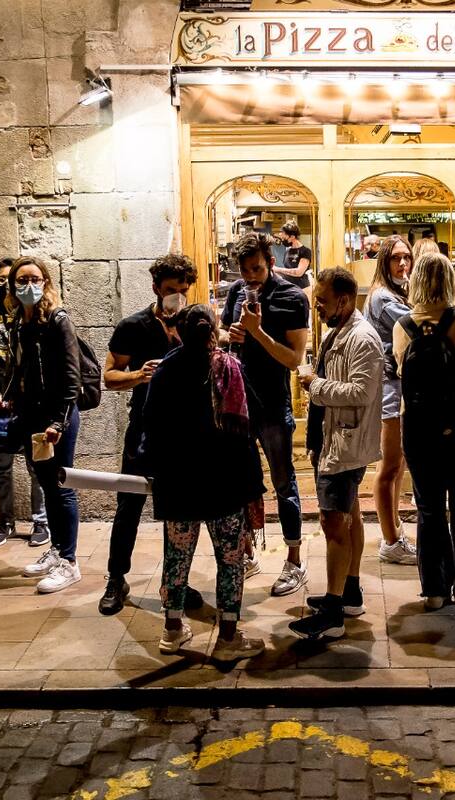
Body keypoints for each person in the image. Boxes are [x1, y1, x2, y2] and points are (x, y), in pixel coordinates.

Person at [138, 304, 266, 662]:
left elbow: (151, 425)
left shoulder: (164, 372)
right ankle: (227, 637)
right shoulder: (229, 368)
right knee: (230, 560)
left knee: (176, 558)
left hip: (179, 484)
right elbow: (250, 423)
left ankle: (172, 630)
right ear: (214, 331)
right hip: (224, 484)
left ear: (178, 332)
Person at [98, 254, 201, 616]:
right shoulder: (134, 326)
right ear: (156, 288)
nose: (178, 298)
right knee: (129, 504)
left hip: (186, 432)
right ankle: (116, 578)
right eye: (172, 290)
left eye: (184, 291)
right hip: (144, 430)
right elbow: (109, 376)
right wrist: (139, 375)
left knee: (181, 512)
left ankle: (177, 580)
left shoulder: (193, 323)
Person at [290, 268, 384, 641]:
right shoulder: (338, 333)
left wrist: (316, 385)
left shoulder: (363, 339)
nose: (317, 305)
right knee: (350, 516)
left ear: (344, 301)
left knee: (333, 523)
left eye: (323, 300)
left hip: (343, 447)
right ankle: (349, 593)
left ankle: (332, 611)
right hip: (332, 441)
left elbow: (361, 392)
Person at [393, 253, 455, 609]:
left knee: (429, 506)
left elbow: (403, 372)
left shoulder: (401, 326)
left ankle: (434, 589)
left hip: (417, 425)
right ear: (449, 279)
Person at [221, 233, 310, 596]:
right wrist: (231, 335)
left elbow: (293, 359)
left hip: (272, 404)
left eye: (257, 268)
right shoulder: (235, 293)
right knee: (240, 484)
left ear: (271, 263)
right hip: (238, 405)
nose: (251, 277)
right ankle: (246, 553)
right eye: (244, 271)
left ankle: (294, 560)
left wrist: (257, 333)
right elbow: (225, 337)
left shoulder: (291, 297)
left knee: (284, 483)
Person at [7, 256, 83, 594]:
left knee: (62, 484)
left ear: (46, 282)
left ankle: (70, 561)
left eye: (35, 279)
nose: (29, 285)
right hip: (32, 418)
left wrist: (60, 422)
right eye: (21, 280)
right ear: (12, 286)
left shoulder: (58, 320)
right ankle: (56, 550)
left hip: (57, 418)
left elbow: (71, 377)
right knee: (46, 484)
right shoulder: (17, 324)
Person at [0, 258, 50, 548]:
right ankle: (6, 522)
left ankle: (41, 521)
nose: (5, 283)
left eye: (9, 278)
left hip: (27, 397)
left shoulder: (31, 315)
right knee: (1, 463)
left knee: (36, 461)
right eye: (1, 278)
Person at [364, 235, 418, 565]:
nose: (402, 264)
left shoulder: (397, 292)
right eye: (395, 258)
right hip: (388, 390)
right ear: (384, 262)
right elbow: (418, 327)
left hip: (397, 389)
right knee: (389, 467)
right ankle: (389, 539)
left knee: (397, 467)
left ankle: (395, 529)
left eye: (406, 258)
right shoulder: (384, 297)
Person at [276, 220, 313, 299]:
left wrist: (277, 269)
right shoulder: (287, 251)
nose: (283, 239)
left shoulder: (305, 251)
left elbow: (299, 272)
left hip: (302, 289)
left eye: (285, 237)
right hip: (289, 287)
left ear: (292, 237)